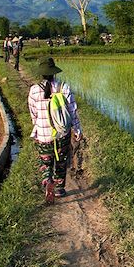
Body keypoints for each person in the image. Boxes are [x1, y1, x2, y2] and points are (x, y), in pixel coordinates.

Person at [28, 57, 82, 202]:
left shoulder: (33, 90)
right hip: (61, 134)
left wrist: (39, 125)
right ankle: (59, 189)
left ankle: (47, 180)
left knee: (46, 161)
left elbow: (33, 114)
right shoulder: (64, 87)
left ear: (42, 73)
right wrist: (77, 130)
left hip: (43, 135)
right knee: (61, 161)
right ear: (54, 72)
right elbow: (72, 111)